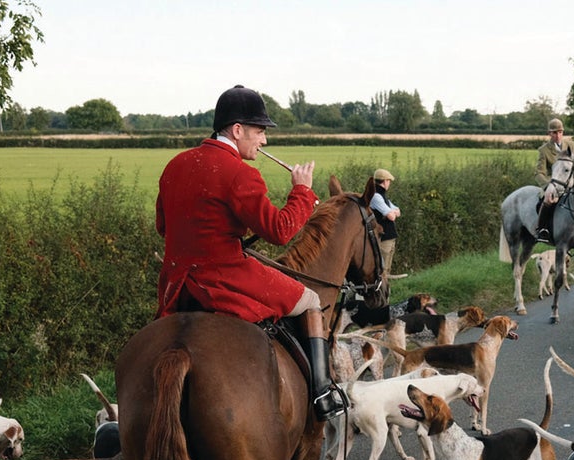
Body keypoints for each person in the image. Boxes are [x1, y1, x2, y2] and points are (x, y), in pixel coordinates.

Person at [154, 84, 347, 420]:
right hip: (223, 279)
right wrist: (301, 192)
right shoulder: (240, 174)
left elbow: (163, 226)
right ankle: (322, 395)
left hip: (175, 286)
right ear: (238, 129)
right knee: (312, 300)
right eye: (259, 131)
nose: (264, 140)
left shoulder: (175, 165)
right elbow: (279, 231)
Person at [533, 117, 574, 242]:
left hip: (572, 182)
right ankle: (542, 229)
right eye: (554, 132)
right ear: (549, 133)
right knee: (547, 202)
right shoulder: (544, 150)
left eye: (560, 132)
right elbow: (539, 173)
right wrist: (547, 186)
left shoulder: (570, 145)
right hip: (555, 184)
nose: (558, 135)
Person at [369, 168, 400, 271]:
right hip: (383, 238)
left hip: (388, 237)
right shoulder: (376, 196)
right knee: (383, 270)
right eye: (389, 181)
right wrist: (391, 213)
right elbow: (392, 216)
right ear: (385, 181)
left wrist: (391, 213)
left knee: (387, 268)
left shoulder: (382, 196)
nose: (389, 183)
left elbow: (397, 211)